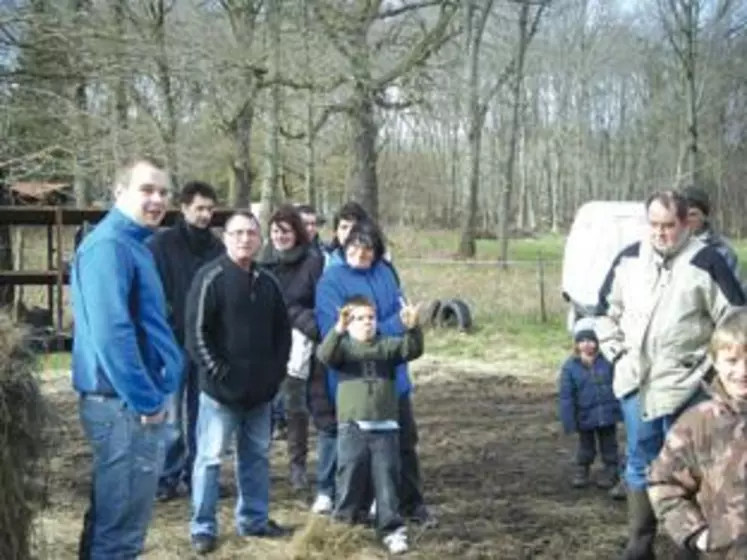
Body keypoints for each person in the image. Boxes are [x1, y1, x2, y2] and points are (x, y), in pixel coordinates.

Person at [594, 190, 746, 559]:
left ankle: (694, 543)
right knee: (640, 461)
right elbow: (602, 312)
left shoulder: (707, 262)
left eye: (669, 225)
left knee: (693, 464)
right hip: (637, 384)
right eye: (655, 225)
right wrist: (616, 355)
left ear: (686, 223)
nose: (661, 233)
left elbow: (735, 320)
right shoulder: (629, 259)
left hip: (688, 386)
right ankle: (640, 543)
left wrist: (714, 370)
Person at [70, 157, 184, 559]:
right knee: (120, 533)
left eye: (163, 192)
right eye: (146, 190)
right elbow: (112, 334)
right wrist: (147, 400)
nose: (157, 200)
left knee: (112, 520)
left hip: (128, 404)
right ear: (119, 192)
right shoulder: (108, 247)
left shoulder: (134, 245)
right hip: (123, 406)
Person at [314, 219, 436, 525]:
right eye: (355, 246)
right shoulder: (331, 280)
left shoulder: (385, 274)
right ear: (345, 246)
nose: (361, 253)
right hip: (352, 375)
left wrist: (380, 329)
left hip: (392, 373)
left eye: (368, 248)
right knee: (355, 454)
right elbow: (334, 328)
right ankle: (353, 509)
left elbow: (401, 316)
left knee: (403, 443)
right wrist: (374, 331)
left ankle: (411, 503)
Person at [185, 211, 292, 554]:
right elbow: (196, 333)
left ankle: (254, 520)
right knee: (209, 460)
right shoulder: (210, 277)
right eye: (237, 233)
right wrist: (219, 371)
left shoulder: (268, 282)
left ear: (260, 239)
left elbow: (283, 335)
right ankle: (203, 527)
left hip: (260, 395)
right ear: (225, 237)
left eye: (251, 233)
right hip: (220, 395)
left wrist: (274, 376)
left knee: (256, 458)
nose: (245, 239)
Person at [317, 295, 425, 555]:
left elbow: (411, 350)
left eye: (370, 318)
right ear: (348, 322)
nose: (366, 323)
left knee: (387, 479)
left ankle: (391, 528)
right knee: (350, 476)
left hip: (385, 428)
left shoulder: (386, 346)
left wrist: (413, 328)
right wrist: (338, 330)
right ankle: (343, 525)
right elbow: (324, 354)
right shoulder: (343, 349)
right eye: (358, 319)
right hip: (352, 427)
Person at [648, 307, 747, 558]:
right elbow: (664, 483)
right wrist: (697, 534)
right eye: (732, 361)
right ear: (715, 361)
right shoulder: (697, 423)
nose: (743, 372)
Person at [148, 180, 224, 501]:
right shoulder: (161, 246)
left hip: (207, 343)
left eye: (210, 209)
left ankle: (199, 475)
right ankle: (167, 475)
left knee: (204, 413)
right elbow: (153, 293)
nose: (205, 215)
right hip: (172, 341)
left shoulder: (219, 249)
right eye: (199, 209)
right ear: (184, 208)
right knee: (172, 415)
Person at [256, 204, 324, 492]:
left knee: (296, 406)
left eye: (286, 231)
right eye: (274, 231)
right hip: (265, 340)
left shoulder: (312, 261)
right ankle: (259, 465)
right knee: (263, 404)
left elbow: (314, 302)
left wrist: (299, 318)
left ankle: (297, 466)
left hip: (300, 340)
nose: (280, 236)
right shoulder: (262, 262)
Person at [558, 319, 620, 490]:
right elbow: (566, 396)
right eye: (582, 341)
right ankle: (582, 469)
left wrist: (619, 410)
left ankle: (611, 470)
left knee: (609, 445)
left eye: (591, 340)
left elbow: (618, 386)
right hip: (584, 416)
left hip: (607, 415)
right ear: (576, 344)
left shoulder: (607, 362)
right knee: (586, 446)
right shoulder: (570, 367)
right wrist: (568, 420)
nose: (587, 345)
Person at [681, 185, 740, 281]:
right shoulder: (672, 247)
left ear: (704, 216)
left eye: (692, 214)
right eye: (683, 215)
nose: (687, 220)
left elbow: (737, 288)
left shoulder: (722, 249)